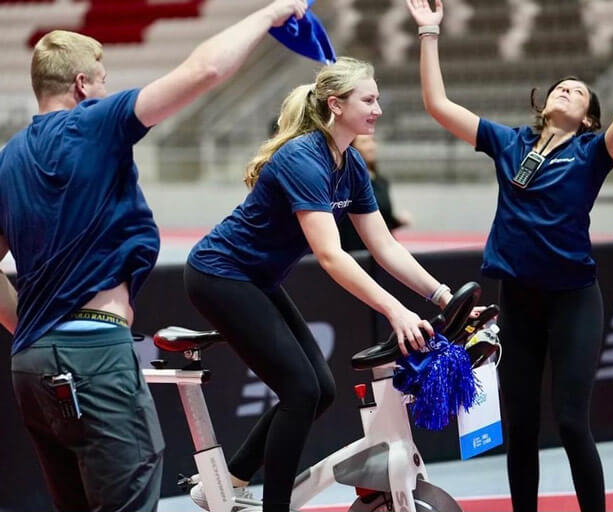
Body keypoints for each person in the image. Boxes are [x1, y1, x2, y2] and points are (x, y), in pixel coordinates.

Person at [0, 1, 308, 510]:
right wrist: (270, 14)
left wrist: (33, 326)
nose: (105, 89)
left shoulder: (8, 159)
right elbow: (204, 70)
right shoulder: (96, 122)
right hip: (95, 354)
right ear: (81, 86)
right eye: (101, 80)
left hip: (29, 366)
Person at [185, 56, 455, 512]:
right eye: (368, 99)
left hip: (259, 278)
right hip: (219, 274)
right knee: (300, 389)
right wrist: (395, 310)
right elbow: (331, 256)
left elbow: (384, 245)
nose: (378, 109)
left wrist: (441, 294)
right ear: (336, 104)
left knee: (321, 390)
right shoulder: (302, 158)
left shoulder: (350, 166)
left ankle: (228, 479)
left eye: (378, 100)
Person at [404, 1, 613, 511]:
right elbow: (438, 105)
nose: (567, 89)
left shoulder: (594, 153)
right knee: (522, 425)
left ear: (589, 117)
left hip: (574, 300)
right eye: (562, 85)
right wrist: (428, 31)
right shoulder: (509, 143)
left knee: (573, 420)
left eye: (578, 91)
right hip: (519, 302)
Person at [339, 134, 413, 251]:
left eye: (372, 141)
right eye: (364, 142)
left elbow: (382, 219)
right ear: (352, 147)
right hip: (357, 251)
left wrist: (398, 221)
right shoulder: (345, 181)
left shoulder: (381, 181)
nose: (371, 146)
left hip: (381, 251)